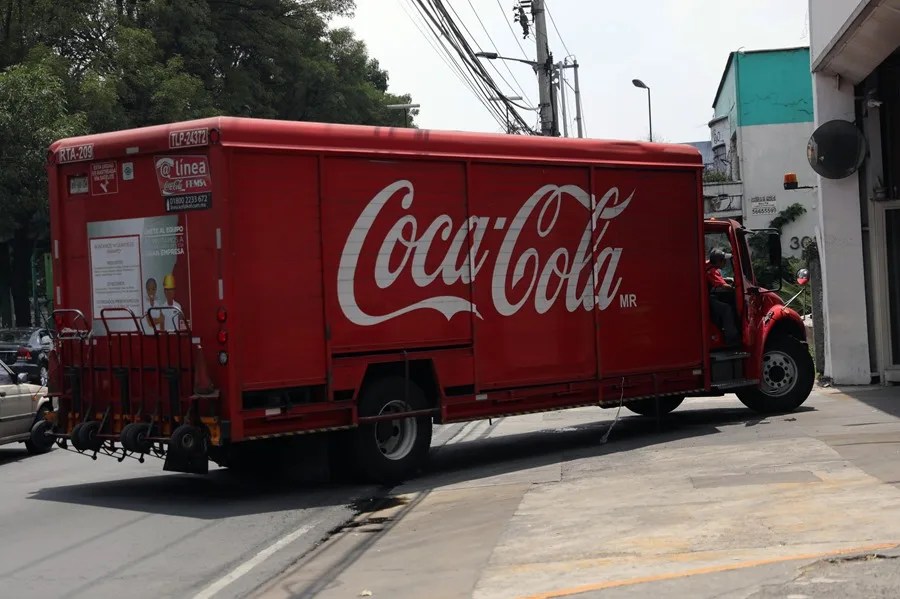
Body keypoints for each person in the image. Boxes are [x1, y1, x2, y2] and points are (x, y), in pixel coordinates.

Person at [706, 248, 740, 346]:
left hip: (708, 296)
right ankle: (732, 340)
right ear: (718, 261)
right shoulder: (712, 271)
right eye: (724, 260)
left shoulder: (709, 265)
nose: (725, 262)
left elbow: (719, 281)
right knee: (727, 309)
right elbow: (722, 286)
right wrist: (735, 289)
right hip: (708, 298)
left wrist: (727, 281)